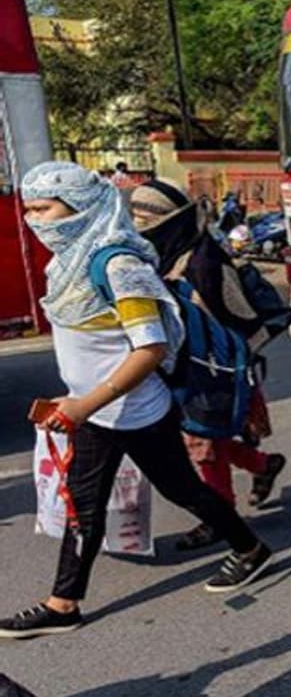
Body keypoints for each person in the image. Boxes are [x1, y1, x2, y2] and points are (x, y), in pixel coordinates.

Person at [1, 163, 271, 639]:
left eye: (44, 208)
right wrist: (78, 397)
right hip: (92, 410)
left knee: (182, 490)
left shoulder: (118, 265)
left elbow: (150, 348)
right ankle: (64, 604)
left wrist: (86, 403)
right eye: (29, 210)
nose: (34, 220)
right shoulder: (65, 263)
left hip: (138, 412)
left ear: (81, 207)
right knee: (85, 506)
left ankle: (249, 548)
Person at [128, 180, 287, 551]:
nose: (142, 232)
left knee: (203, 441)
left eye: (147, 223)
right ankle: (262, 465)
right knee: (200, 439)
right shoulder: (166, 255)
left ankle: (221, 515)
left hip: (215, 368)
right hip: (183, 365)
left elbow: (240, 318)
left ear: (170, 223)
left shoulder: (204, 261)